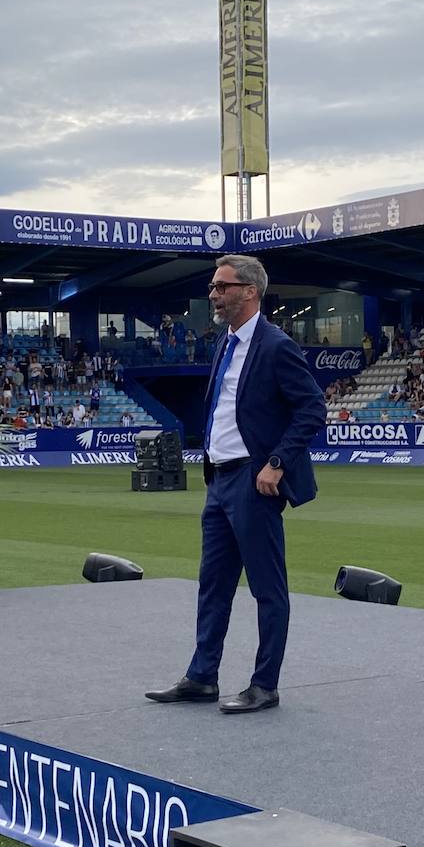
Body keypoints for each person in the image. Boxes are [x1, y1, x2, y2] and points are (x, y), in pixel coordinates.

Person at [146, 254, 324, 714]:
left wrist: (277, 463)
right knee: (212, 586)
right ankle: (202, 677)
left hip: (253, 480)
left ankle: (265, 684)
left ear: (250, 291)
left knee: (268, 588)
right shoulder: (223, 345)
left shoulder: (276, 345)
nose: (214, 295)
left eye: (222, 287)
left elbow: (312, 410)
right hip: (219, 478)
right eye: (213, 287)